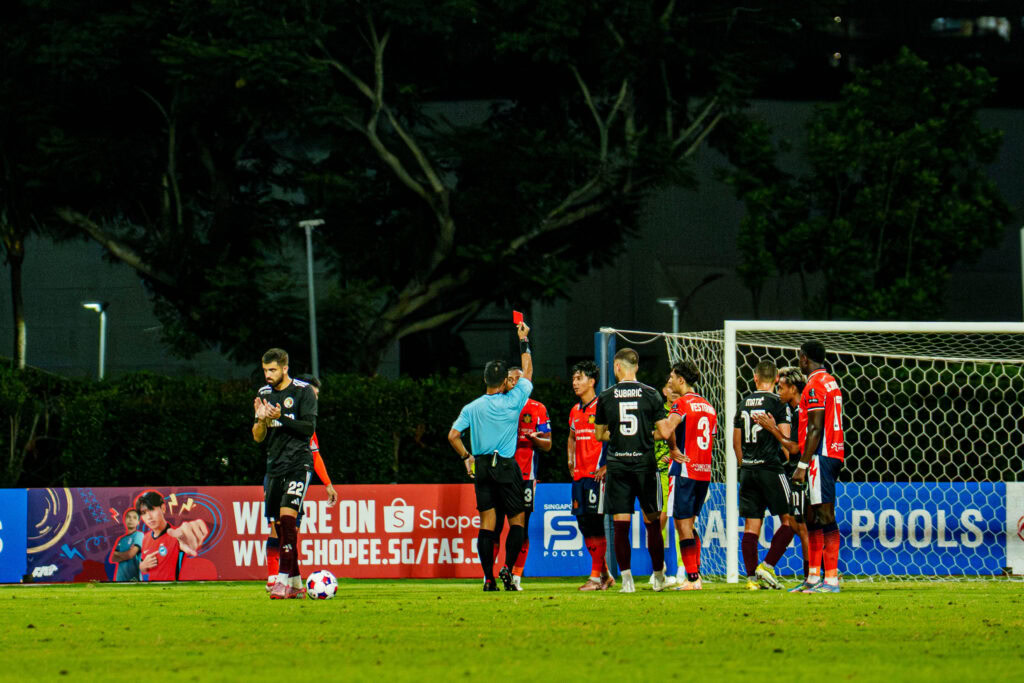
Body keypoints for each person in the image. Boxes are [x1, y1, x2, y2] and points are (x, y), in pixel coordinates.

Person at [447, 321, 533, 591]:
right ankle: (507, 568)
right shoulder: (513, 400)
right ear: (505, 381)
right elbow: (528, 373)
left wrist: (466, 457)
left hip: (482, 466)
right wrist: (523, 341)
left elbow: (452, 435)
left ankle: (488, 578)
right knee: (516, 520)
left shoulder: (472, 407)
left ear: (485, 379)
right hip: (506, 465)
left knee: (487, 523)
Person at [594, 348, 669, 593]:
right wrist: (646, 434)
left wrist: (616, 434)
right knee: (653, 522)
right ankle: (658, 577)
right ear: (636, 367)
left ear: (617, 367)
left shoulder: (605, 396)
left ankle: (627, 581)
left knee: (620, 524)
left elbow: (599, 434)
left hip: (618, 465)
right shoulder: (651, 394)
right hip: (645, 466)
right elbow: (665, 432)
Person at [262, 374, 338, 593]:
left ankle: (292, 581)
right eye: (312, 393)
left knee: (291, 528)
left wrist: (327, 484)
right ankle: (275, 577)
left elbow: (315, 455)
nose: (314, 398)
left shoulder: (306, 423)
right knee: (279, 528)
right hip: (278, 473)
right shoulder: (286, 413)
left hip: (296, 472)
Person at [253, 348, 318, 599]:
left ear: (285, 368)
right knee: (280, 526)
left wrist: (282, 417)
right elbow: (258, 438)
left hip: (298, 463)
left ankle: (281, 580)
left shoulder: (303, 392)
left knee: (289, 519)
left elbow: (308, 428)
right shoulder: (264, 394)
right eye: (265, 370)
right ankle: (297, 583)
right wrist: (260, 421)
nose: (268, 375)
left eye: (273, 370)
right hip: (274, 466)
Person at [734, 360, 796, 590]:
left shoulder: (742, 404)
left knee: (751, 526)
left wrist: (745, 465)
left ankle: (751, 580)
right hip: (771, 469)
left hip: (748, 471)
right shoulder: (778, 403)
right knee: (791, 520)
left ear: (755, 377)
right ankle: (766, 566)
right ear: (776, 380)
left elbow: (736, 442)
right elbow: (786, 440)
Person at [789, 341, 845, 593]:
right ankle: (813, 577)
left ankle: (831, 579)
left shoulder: (814, 385)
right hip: (828, 453)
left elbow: (815, 427)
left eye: (799, 358)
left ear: (804, 359)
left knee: (824, 515)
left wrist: (802, 463)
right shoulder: (830, 381)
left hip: (820, 455)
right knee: (812, 516)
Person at [657, 360, 718, 591]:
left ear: (681, 380)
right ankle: (695, 576)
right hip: (703, 472)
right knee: (690, 524)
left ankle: (693, 579)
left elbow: (665, 430)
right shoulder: (708, 406)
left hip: (683, 471)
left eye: (672, 377)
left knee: (682, 525)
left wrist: (672, 447)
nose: (670, 381)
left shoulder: (681, 404)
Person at [754, 366, 811, 580]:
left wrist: (773, 429)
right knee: (797, 524)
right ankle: (815, 572)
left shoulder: (801, 412)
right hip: (799, 471)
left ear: (793, 389)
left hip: (802, 473)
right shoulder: (796, 411)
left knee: (802, 527)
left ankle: (811, 577)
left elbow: (794, 448)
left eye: (782, 387)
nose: (779, 391)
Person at [567, 361, 614, 591]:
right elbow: (572, 437)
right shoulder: (575, 410)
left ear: (592, 381)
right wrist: (570, 459)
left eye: (579, 378)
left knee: (595, 523)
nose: (575, 383)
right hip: (579, 475)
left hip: (597, 475)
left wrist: (607, 465)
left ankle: (596, 578)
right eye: (574, 379)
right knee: (584, 524)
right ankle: (605, 573)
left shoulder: (603, 406)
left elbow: (615, 436)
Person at [506, 366, 551, 589]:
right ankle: (491, 576)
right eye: (510, 379)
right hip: (500, 474)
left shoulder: (537, 408)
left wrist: (535, 439)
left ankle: (515, 577)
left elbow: (548, 444)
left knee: (521, 528)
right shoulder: (499, 406)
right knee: (494, 527)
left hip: (525, 476)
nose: (514, 383)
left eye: (518, 379)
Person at [137, 491, 209, 581]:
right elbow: (144, 567)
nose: (148, 517)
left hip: (172, 589)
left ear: (162, 508)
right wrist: (142, 566)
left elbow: (184, 541)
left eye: (151, 509)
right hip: (152, 590)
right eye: (143, 513)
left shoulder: (176, 535)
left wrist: (190, 537)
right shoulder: (145, 538)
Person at [653, 379, 682, 587]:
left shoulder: (684, 410)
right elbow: (651, 437)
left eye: (675, 388)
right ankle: (659, 567)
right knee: (661, 518)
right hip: (661, 473)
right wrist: (658, 459)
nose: (672, 392)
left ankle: (684, 568)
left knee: (684, 519)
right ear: (664, 391)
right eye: (669, 388)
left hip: (681, 471)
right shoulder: (658, 412)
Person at [110, 508, 144, 582]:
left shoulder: (139, 535)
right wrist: (127, 553)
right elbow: (113, 558)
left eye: (134, 517)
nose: (131, 519)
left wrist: (118, 554)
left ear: (138, 522)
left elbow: (130, 554)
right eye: (128, 517)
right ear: (125, 520)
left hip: (134, 578)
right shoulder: (121, 540)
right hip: (119, 579)